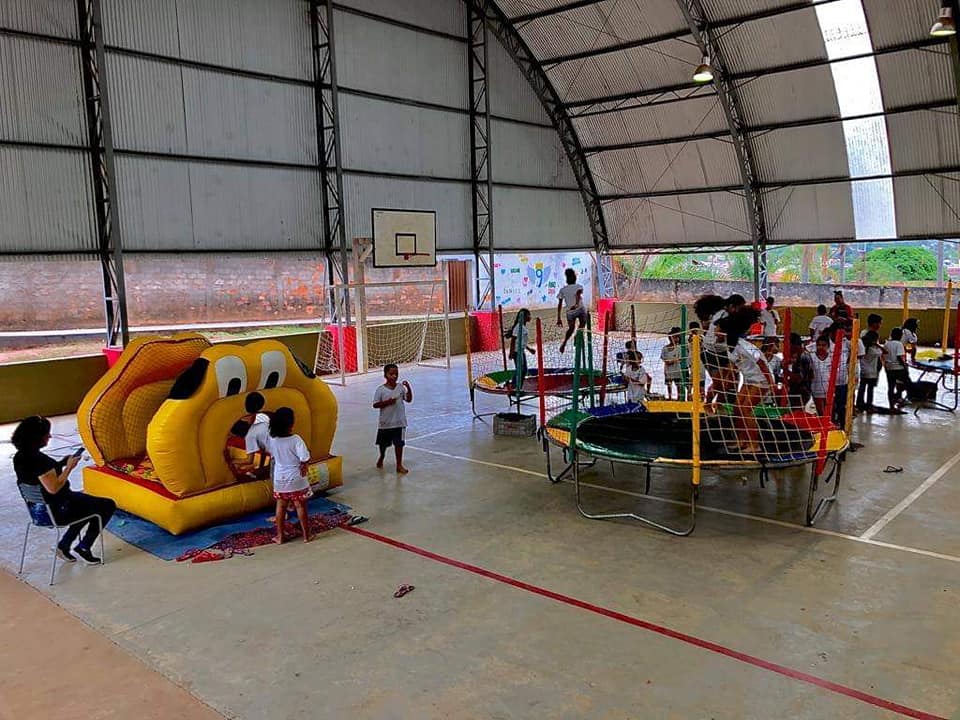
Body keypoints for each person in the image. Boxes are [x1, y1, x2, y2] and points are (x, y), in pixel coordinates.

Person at [12, 415, 116, 564]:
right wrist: (69, 468)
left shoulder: (20, 457)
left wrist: (60, 464)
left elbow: (40, 477)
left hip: (37, 510)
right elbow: (53, 488)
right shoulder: (40, 461)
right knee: (106, 505)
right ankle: (83, 547)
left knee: (88, 505)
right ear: (37, 437)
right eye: (46, 434)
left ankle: (65, 546)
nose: (49, 436)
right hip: (57, 510)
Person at [723, 309, 776, 455]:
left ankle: (754, 444)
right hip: (749, 378)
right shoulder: (729, 346)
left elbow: (761, 362)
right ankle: (742, 440)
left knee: (746, 409)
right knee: (737, 408)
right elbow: (732, 366)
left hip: (761, 379)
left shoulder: (743, 346)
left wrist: (771, 384)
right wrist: (725, 380)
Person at [265, 407, 312, 544]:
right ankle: (306, 536)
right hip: (296, 478)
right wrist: (304, 465)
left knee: (280, 507)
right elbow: (304, 457)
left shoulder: (272, 439)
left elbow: (272, 455)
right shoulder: (296, 439)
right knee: (300, 507)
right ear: (291, 423)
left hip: (280, 479)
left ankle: (280, 536)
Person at [373, 363, 413, 474]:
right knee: (383, 445)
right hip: (385, 423)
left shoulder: (400, 388)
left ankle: (399, 465)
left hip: (399, 422)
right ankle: (382, 456)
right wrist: (387, 402)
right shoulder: (380, 390)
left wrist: (408, 388)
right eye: (391, 374)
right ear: (385, 375)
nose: (394, 376)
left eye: (396, 374)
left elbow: (408, 399)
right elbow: (375, 404)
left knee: (399, 444)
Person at [504, 309, 535, 399]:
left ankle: (518, 387)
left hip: (521, 351)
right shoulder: (518, 327)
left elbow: (521, 341)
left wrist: (529, 349)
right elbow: (513, 340)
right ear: (524, 317)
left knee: (523, 370)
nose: (530, 317)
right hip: (517, 352)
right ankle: (514, 387)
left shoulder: (523, 327)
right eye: (529, 315)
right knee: (520, 370)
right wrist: (511, 352)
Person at [556, 268, 588, 354]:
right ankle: (577, 336)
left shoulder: (563, 290)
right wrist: (576, 304)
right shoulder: (579, 286)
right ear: (574, 278)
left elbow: (559, 304)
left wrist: (559, 318)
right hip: (580, 309)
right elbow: (578, 294)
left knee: (571, 328)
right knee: (583, 321)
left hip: (570, 312)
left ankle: (564, 343)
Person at [783, 333, 814, 410]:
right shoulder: (799, 356)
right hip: (798, 391)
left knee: (797, 412)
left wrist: (785, 369)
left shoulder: (803, 357)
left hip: (801, 392)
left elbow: (799, 378)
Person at [883, 327, 910, 414]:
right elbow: (899, 357)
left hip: (889, 368)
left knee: (891, 387)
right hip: (898, 368)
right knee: (908, 384)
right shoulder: (899, 344)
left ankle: (891, 406)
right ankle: (897, 396)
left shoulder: (886, 344)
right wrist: (904, 366)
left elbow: (883, 356)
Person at [857, 330, 882, 411]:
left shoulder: (862, 348)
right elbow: (884, 351)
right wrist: (877, 344)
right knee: (870, 390)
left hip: (863, 371)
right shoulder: (874, 350)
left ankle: (859, 403)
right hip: (872, 373)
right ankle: (869, 405)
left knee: (862, 388)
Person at [810, 336, 834, 417]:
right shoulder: (811, 357)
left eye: (823, 345)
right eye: (819, 345)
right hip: (816, 389)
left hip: (829, 390)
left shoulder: (832, 357)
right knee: (821, 412)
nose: (821, 347)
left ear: (828, 346)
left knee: (829, 413)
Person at [661, 327, 683, 400]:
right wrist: (668, 362)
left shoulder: (679, 347)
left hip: (677, 369)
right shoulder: (665, 348)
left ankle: (679, 397)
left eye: (676, 337)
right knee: (669, 384)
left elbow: (680, 358)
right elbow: (664, 358)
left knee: (678, 384)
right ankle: (670, 397)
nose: (675, 339)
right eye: (673, 337)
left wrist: (671, 361)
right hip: (668, 370)